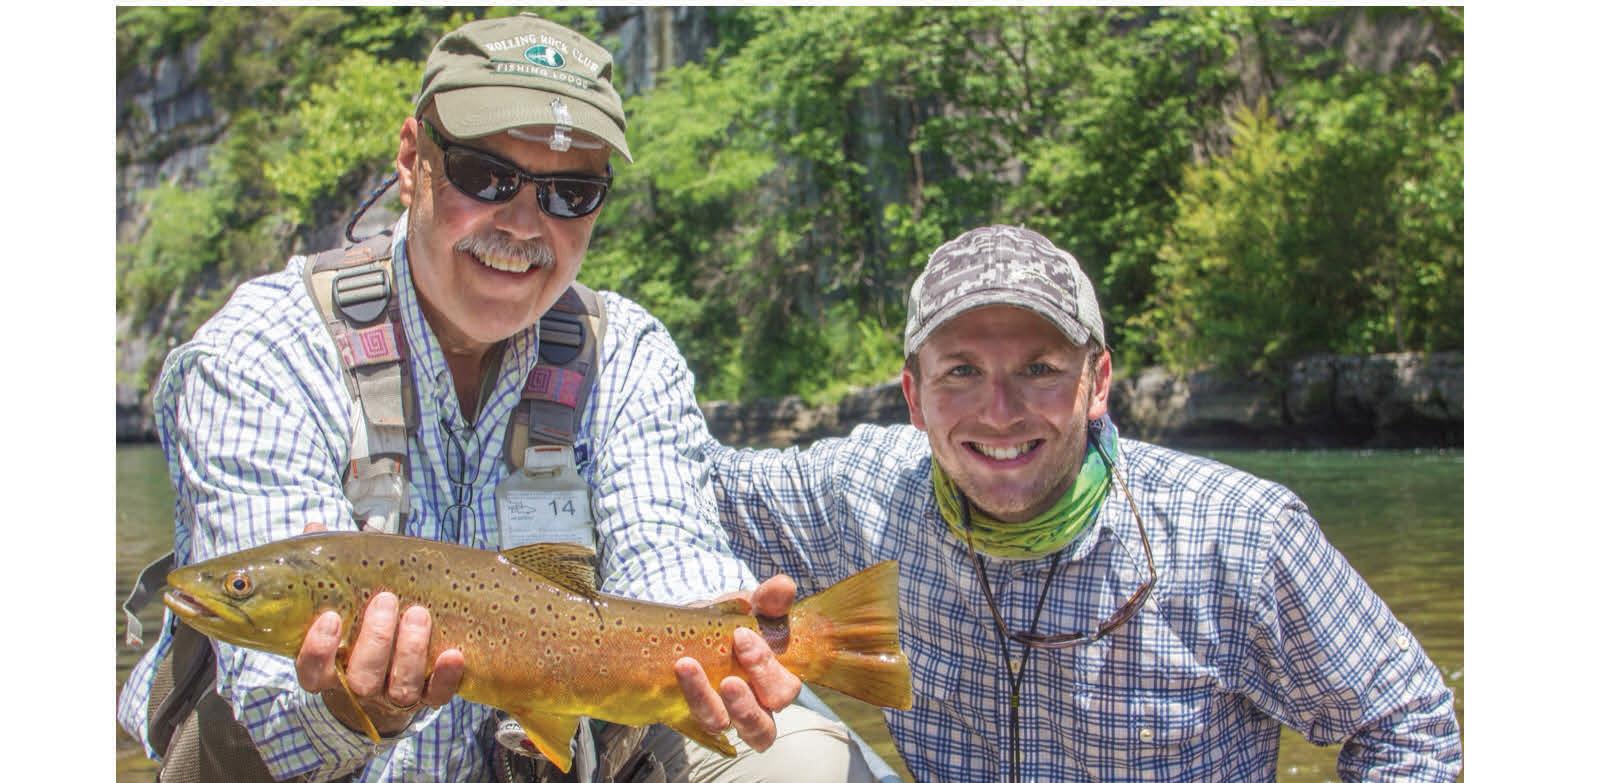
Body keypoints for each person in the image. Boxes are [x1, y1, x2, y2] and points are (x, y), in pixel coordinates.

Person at [116, 13, 868, 783]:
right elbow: (263, 697)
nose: (523, 223)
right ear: (412, 161)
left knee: (800, 758)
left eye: (571, 191)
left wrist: (726, 632)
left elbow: (665, 552)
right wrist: (349, 708)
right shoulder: (263, 351)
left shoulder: (627, 354)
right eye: (485, 175)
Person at [681, 225, 1463, 781]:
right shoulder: (861, 494)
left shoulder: (1243, 537)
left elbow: (1406, 721)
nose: (999, 411)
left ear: (1098, 382)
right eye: (961, 371)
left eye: (1040, 368)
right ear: (914, 398)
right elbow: (683, 479)